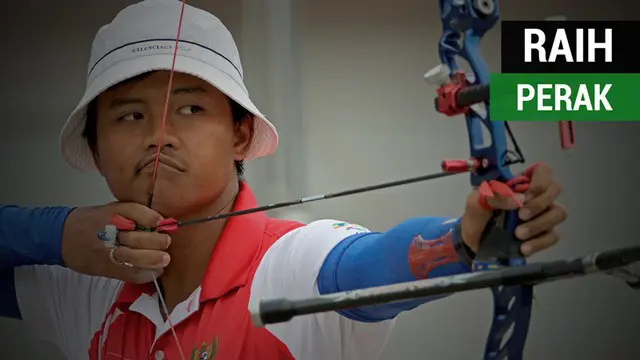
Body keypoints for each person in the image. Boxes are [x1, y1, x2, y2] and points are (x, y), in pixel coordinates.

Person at [0, 1, 567, 360]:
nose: (159, 134)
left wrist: (465, 238)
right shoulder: (84, 288)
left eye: (191, 109)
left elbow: (369, 261)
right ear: (96, 150)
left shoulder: (295, 262)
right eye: (129, 115)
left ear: (242, 135)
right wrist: (60, 233)